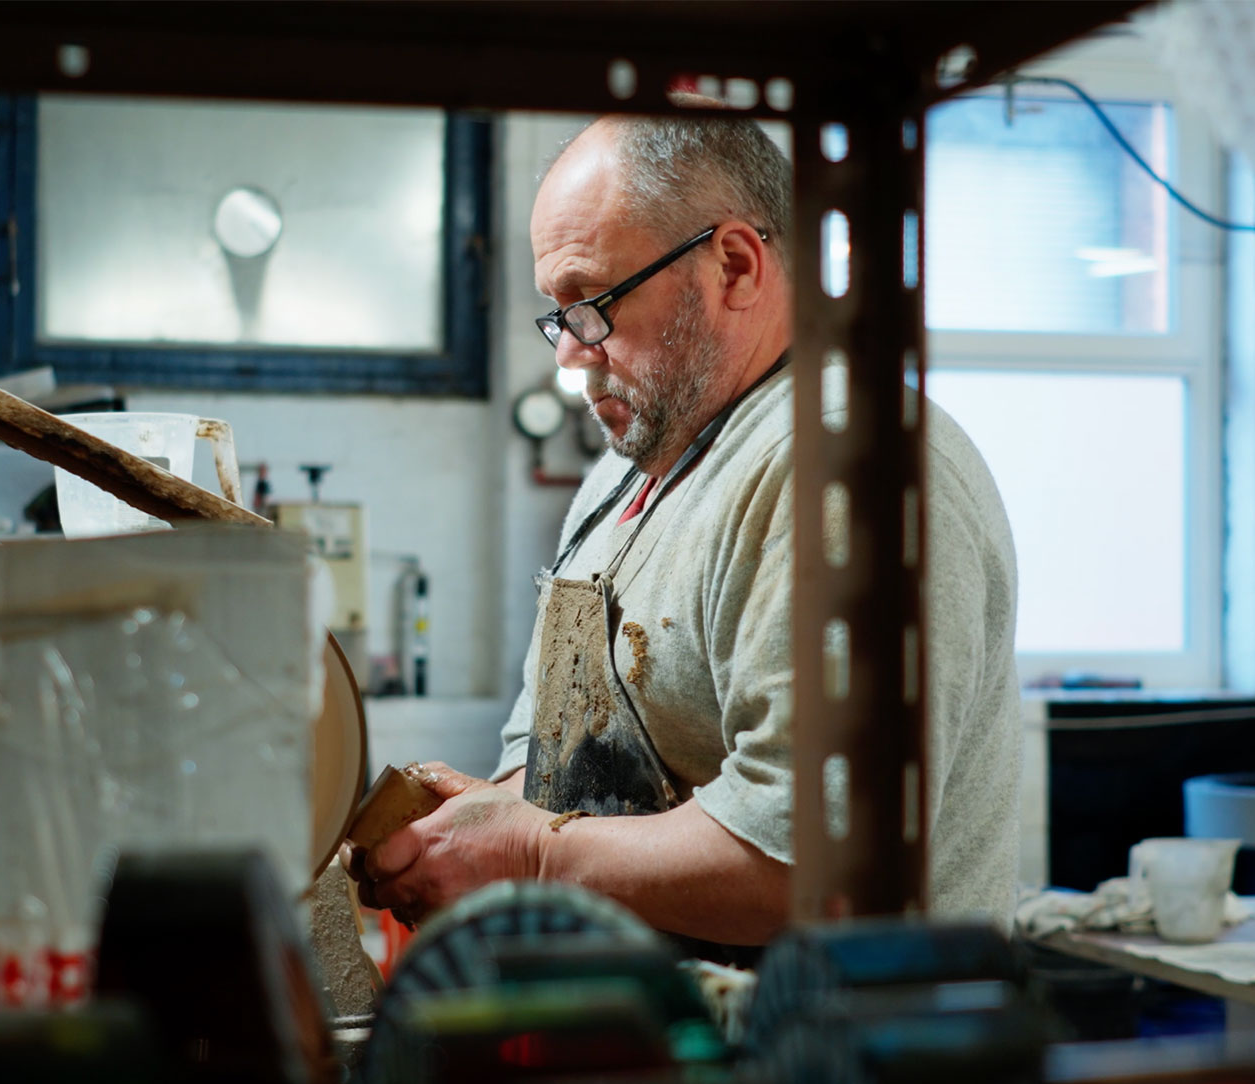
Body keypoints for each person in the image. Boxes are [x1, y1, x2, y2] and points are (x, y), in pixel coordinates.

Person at [346, 109, 1021, 956]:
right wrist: (478, 821)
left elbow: (809, 866)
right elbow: (565, 771)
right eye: (557, 316)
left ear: (734, 265)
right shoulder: (626, 471)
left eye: (592, 305)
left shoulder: (845, 466)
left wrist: (524, 852)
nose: (570, 354)